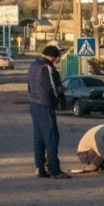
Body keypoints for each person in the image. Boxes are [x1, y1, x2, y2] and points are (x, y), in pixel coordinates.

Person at [28, 45, 70, 178]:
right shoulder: (47, 68)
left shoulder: (33, 66)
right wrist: (60, 92)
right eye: (58, 58)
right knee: (52, 137)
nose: (58, 61)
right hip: (45, 105)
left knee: (39, 138)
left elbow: (29, 87)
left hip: (34, 104)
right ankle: (54, 170)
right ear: (53, 56)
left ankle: (39, 168)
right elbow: (51, 88)